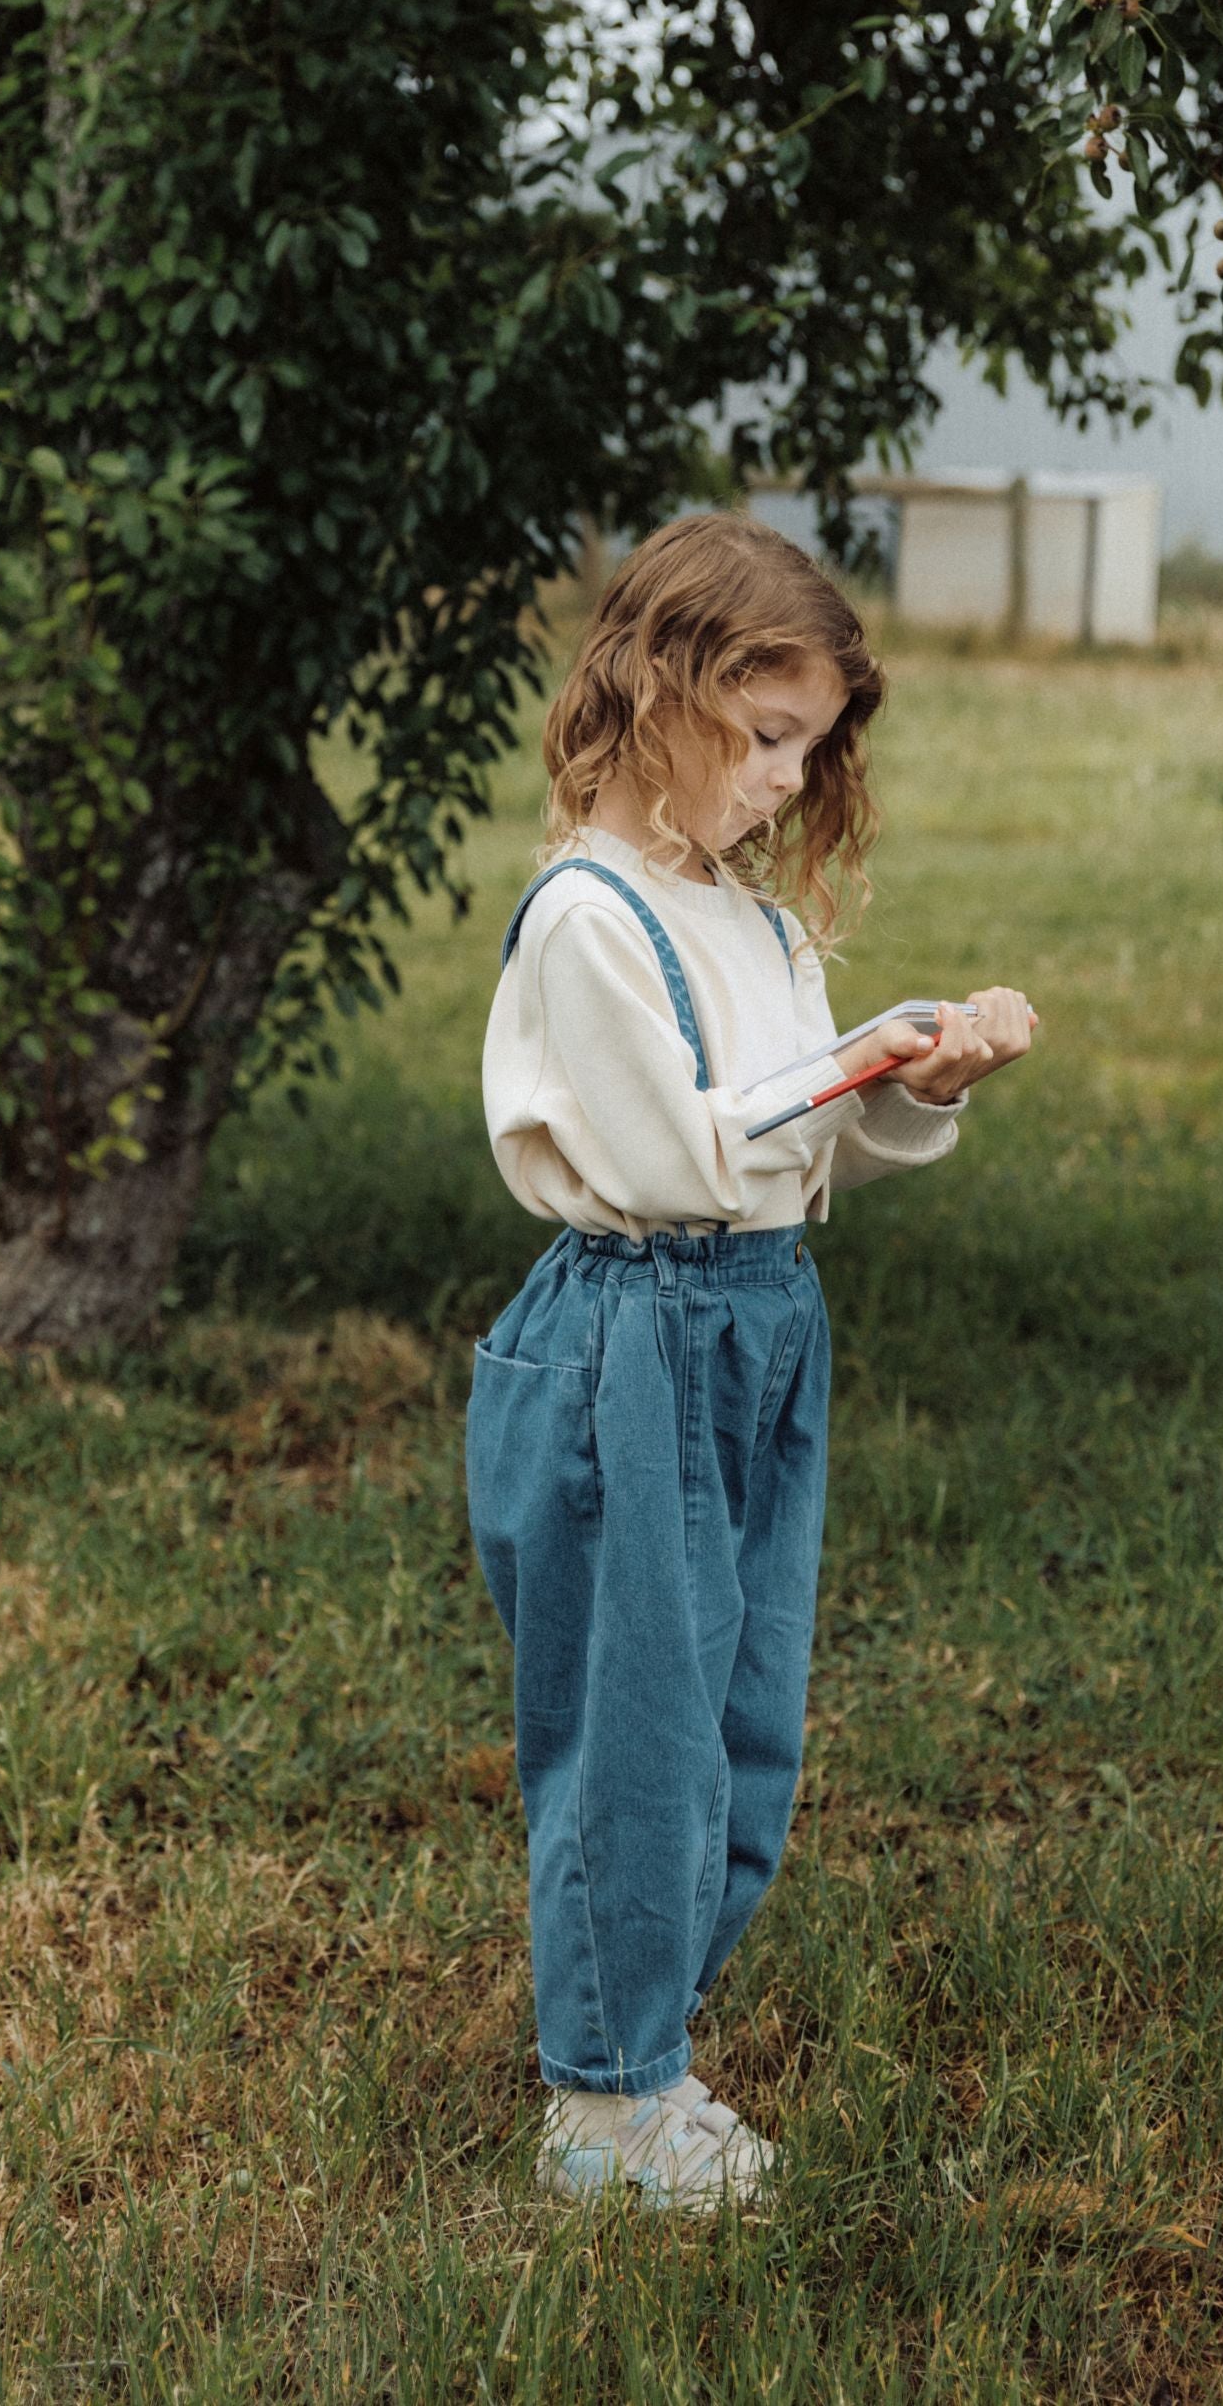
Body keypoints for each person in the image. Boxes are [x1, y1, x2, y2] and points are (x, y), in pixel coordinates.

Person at [468, 511, 1034, 2214]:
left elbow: (801, 1156)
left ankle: (644, 2045)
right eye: (768, 734)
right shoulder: (589, 916)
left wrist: (916, 1084)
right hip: (635, 1331)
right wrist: (859, 1056)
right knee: (636, 1725)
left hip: (764, 1320)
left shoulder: (755, 921)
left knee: (740, 1716)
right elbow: (676, 1158)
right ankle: (605, 2104)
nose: (791, 778)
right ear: (661, 689)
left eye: (813, 746)